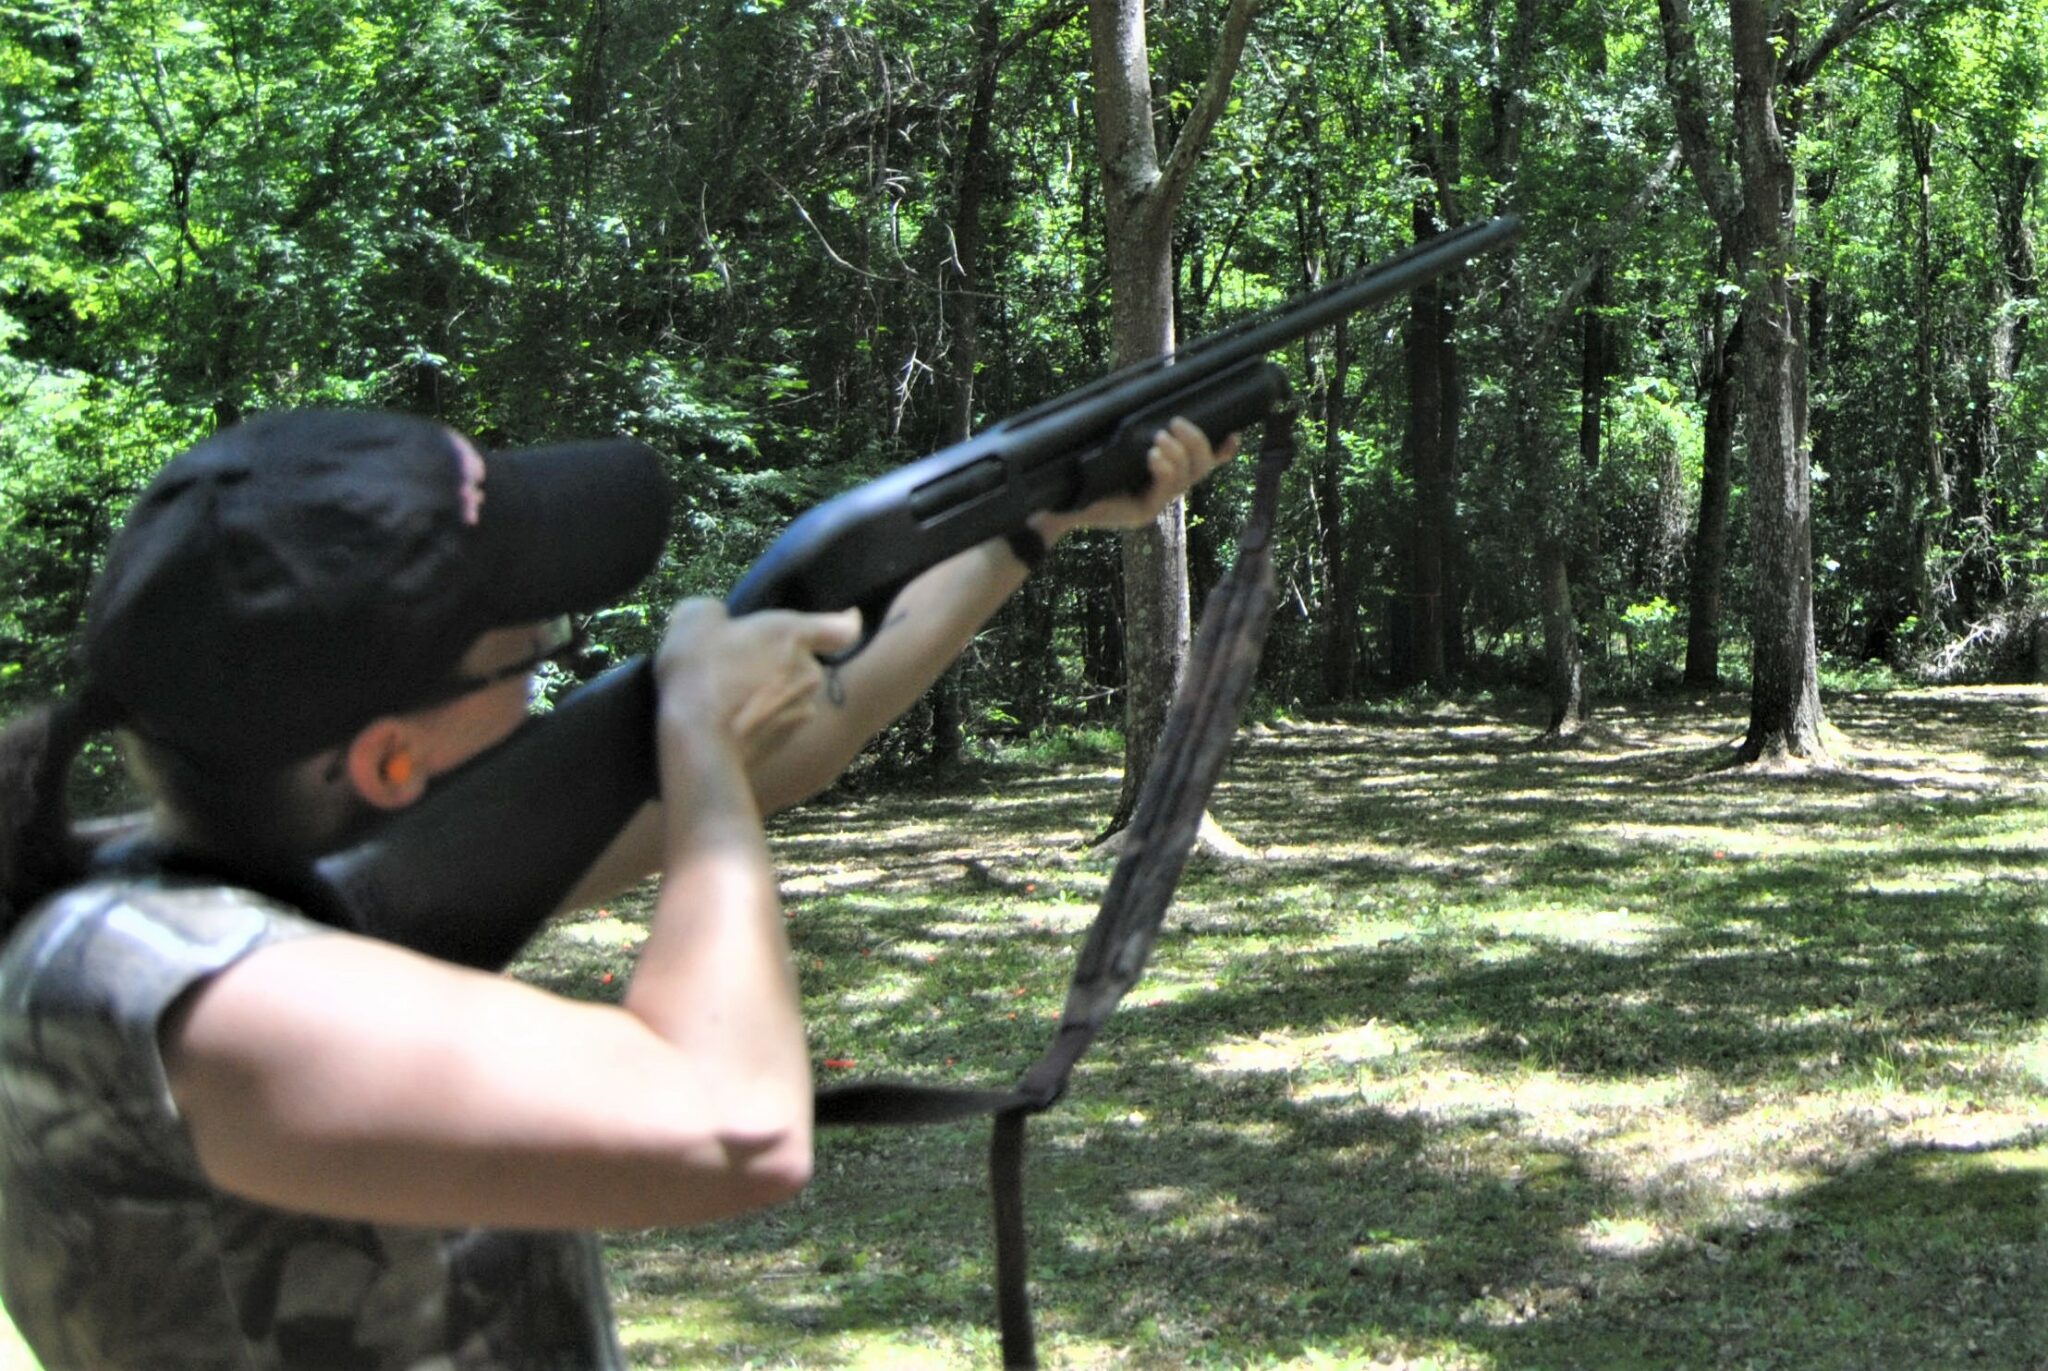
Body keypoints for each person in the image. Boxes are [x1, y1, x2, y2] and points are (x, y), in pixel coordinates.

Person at [0, 406, 1233, 1369]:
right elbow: (731, 1128)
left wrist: (1040, 520)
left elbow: (806, 736)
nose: (561, 684)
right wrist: (694, 741)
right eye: (536, 654)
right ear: (387, 759)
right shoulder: (175, 985)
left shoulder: (221, 870)